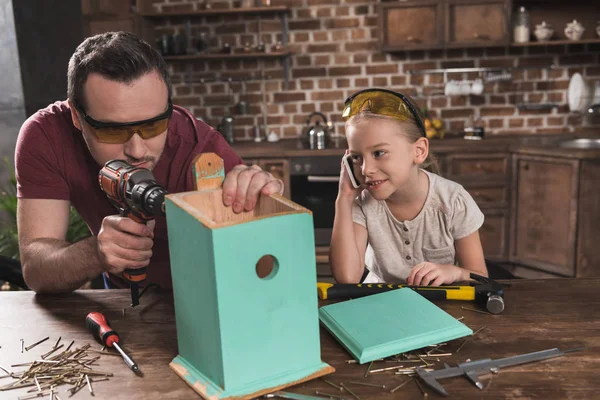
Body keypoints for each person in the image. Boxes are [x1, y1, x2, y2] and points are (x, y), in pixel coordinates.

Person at [15, 31, 283, 293]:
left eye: (154, 125)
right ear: (76, 116)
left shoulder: (202, 151)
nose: (137, 149)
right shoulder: (47, 135)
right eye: (112, 130)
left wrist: (267, 210)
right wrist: (95, 253)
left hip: (205, 296)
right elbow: (35, 269)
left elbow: (266, 267)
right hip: (122, 294)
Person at [329, 88, 488, 286]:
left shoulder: (453, 201)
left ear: (419, 151)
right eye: (356, 157)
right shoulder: (361, 203)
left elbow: (481, 277)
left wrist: (454, 272)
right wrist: (343, 197)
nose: (366, 169)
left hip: (438, 304)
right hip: (381, 300)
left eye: (379, 153)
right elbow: (347, 278)